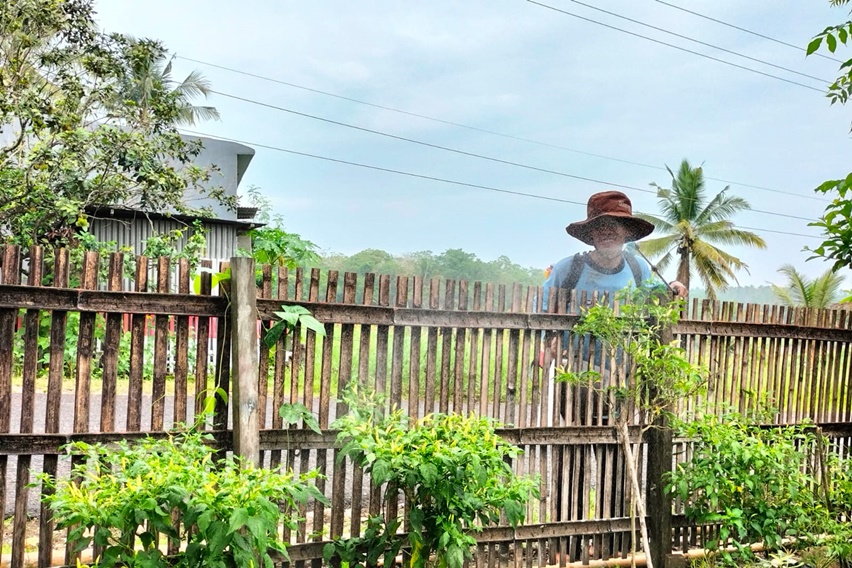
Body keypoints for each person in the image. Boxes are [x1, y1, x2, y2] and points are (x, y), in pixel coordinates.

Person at [542, 191, 686, 560]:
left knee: (616, 459)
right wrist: (548, 345)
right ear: (591, 234)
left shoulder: (639, 271)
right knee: (571, 457)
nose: (608, 234)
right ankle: (566, 543)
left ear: (626, 233)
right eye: (601, 227)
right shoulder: (568, 269)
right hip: (575, 378)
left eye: (615, 228)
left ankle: (610, 543)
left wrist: (675, 290)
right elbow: (544, 315)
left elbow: (663, 302)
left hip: (621, 381)